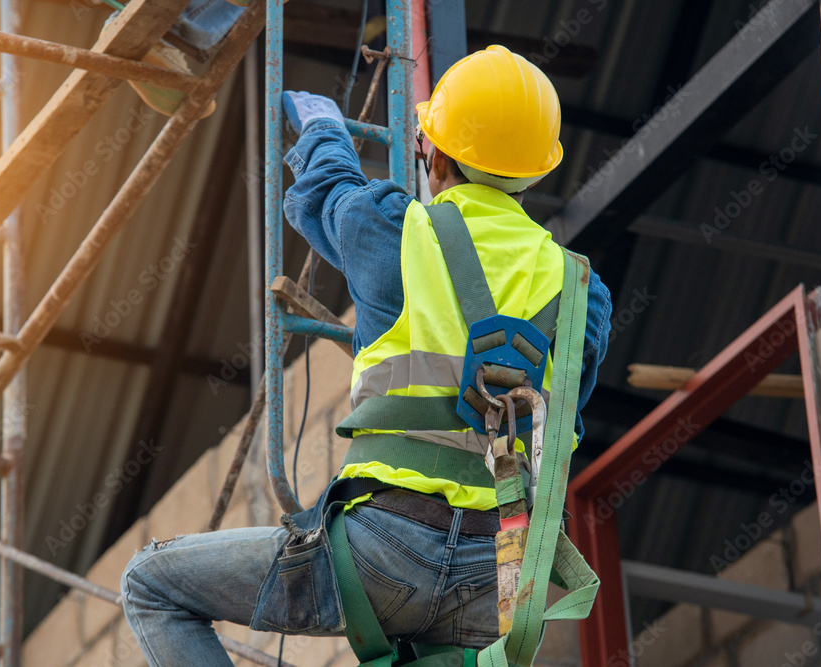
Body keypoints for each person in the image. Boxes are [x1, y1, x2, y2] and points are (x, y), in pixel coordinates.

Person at [120, 45, 612, 666]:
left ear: (433, 154)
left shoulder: (398, 231)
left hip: (386, 550)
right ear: (535, 172)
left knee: (152, 583)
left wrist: (325, 131)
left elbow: (327, 192)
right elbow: (565, 408)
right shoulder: (582, 289)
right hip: (502, 584)